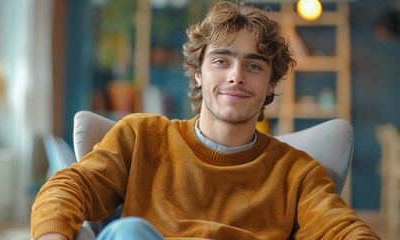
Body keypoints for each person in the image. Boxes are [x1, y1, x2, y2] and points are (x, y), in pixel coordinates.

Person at [31, 1, 380, 239]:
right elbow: (68, 186)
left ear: (272, 83)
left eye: (254, 65)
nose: (236, 76)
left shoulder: (297, 172)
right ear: (197, 73)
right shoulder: (141, 136)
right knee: (129, 232)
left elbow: (342, 228)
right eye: (221, 61)